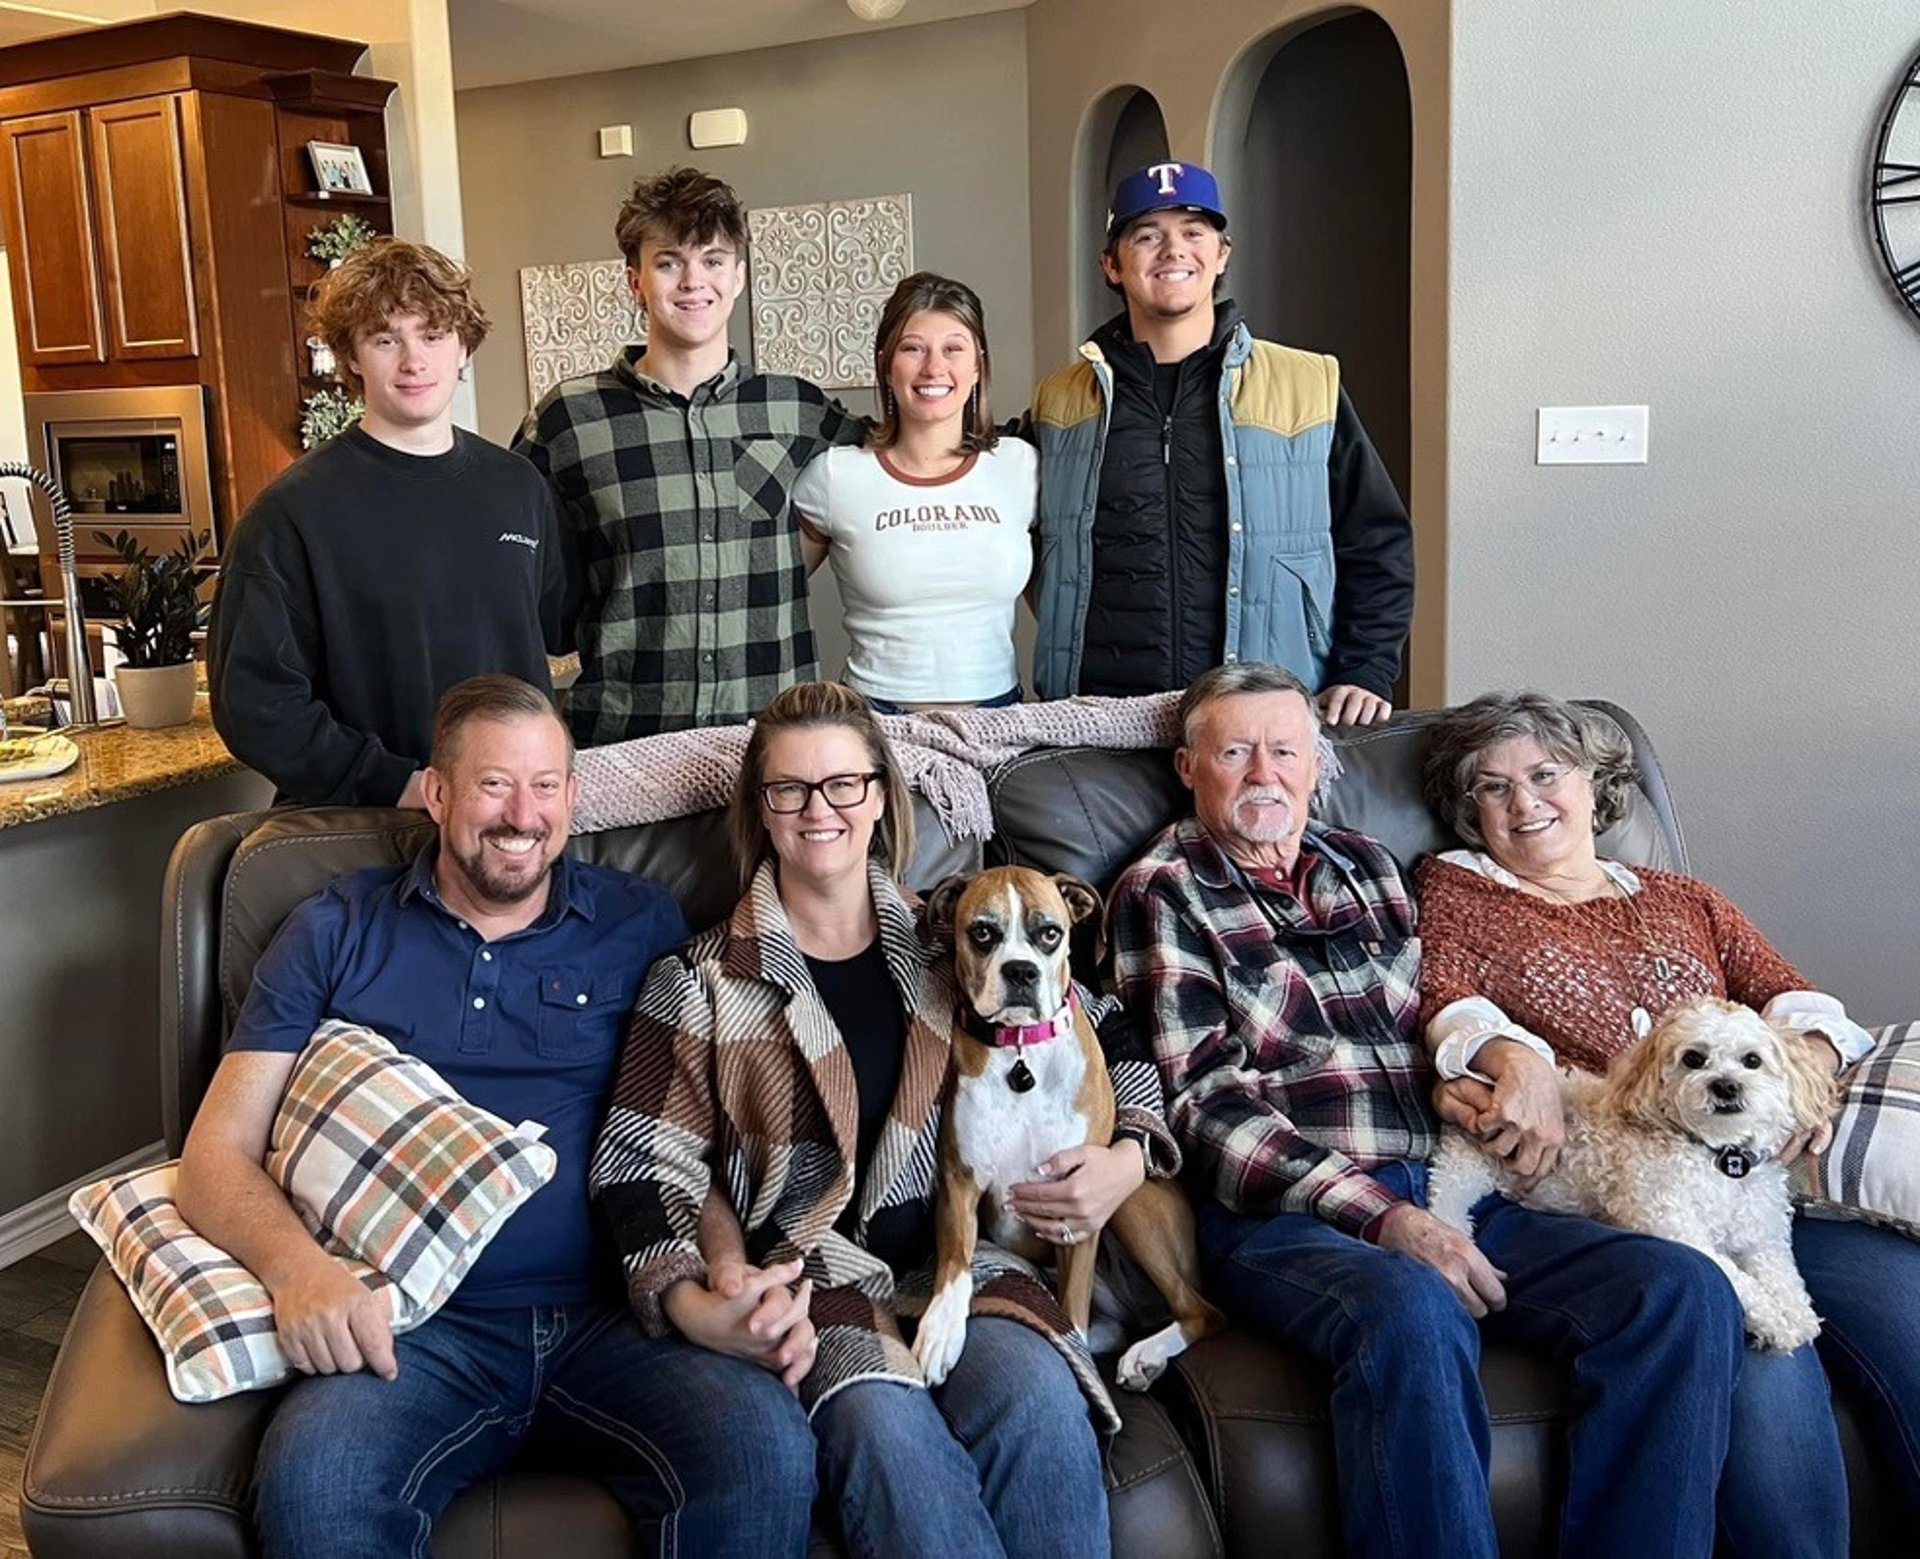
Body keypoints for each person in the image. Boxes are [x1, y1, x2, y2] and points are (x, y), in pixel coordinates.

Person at [1109, 662, 1745, 1559]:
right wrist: (1391, 1219)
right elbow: (1206, 1109)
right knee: (1411, 1306)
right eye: (1236, 752)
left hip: (1454, 1184)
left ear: (1318, 762)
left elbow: (1434, 1015)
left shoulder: (1366, 864)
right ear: (1189, 767)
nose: (1265, 774)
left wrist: (1476, 1081)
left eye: (1285, 750)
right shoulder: (1164, 890)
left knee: (1682, 1290)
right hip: (1285, 1219)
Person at [176, 676, 815, 1557]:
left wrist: (726, 1266)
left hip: (619, 1322)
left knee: (765, 1450)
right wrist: (299, 1271)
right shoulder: (334, 930)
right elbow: (214, 1155)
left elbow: (684, 1137)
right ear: (436, 793)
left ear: (572, 795)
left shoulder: (639, 923)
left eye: (545, 784)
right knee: (315, 1481)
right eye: (493, 784)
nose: (523, 814)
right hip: (410, 1333)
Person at [589, 681, 1182, 1558]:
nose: (818, 808)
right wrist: (704, 1286)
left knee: (1046, 1413)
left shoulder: (950, 935)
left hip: (964, 1265)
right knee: (897, 1450)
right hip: (814, 1281)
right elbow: (638, 1167)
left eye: (844, 783)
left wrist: (1129, 1156)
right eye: (789, 787)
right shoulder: (702, 976)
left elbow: (1101, 1020)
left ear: (880, 797)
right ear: (762, 807)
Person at [1417, 690, 1920, 1553]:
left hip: (1758, 1177)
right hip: (1631, 1188)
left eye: (1545, 775)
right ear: (1470, 812)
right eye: (1493, 789)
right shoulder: (1459, 888)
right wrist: (1516, 1059)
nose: (1525, 802)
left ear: (1593, 786)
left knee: (1908, 1316)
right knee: (1771, 1357)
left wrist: (1800, 1079)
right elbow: (1449, 1005)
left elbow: (1804, 1002)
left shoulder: (1685, 895)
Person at [1029, 161, 1413, 725]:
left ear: (1222, 254)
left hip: (1261, 715)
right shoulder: (1058, 403)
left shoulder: (1308, 385)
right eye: (1147, 235)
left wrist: (1367, 667)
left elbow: (1376, 540)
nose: (1173, 250)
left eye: (1193, 232)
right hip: (1098, 717)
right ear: (1112, 265)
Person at [210, 239, 568, 806]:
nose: (414, 361)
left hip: (514, 823)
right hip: (370, 827)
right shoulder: (292, 513)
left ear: (463, 347)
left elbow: (558, 632)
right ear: (351, 356)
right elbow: (254, 705)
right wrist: (398, 784)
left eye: (432, 335)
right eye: (385, 339)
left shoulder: (517, 486)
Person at [514, 167, 865, 744]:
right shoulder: (568, 418)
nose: (692, 281)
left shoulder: (795, 409)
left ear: (740, 276)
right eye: (669, 261)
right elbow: (508, 552)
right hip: (623, 736)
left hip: (771, 744)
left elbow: (900, 464)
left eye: (713, 260)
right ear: (635, 280)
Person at [794, 272, 1034, 713]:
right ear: (887, 363)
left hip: (1000, 722)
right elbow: (771, 593)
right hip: (876, 727)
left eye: (953, 348)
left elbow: (1064, 597)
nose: (933, 368)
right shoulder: (836, 476)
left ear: (978, 364)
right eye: (912, 348)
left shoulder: (1021, 467)